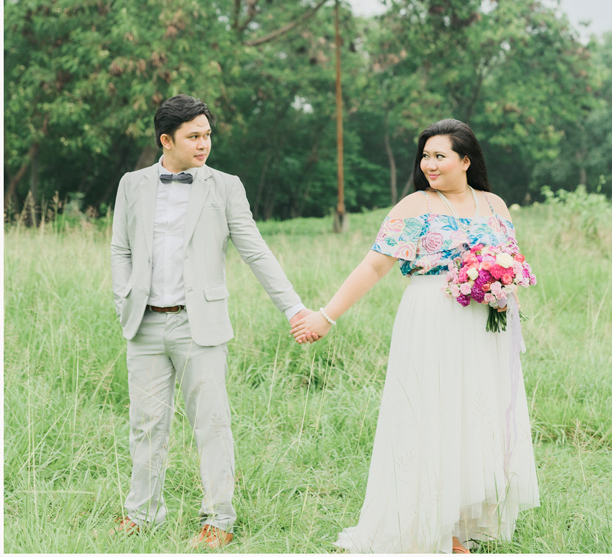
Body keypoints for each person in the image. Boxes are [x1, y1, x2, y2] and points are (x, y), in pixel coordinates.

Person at [290, 118, 540, 554]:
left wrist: (503, 287)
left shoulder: (496, 205)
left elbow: (512, 260)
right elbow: (373, 266)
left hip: (487, 325)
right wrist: (326, 316)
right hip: (432, 317)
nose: (429, 163)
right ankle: (435, 529)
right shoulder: (414, 207)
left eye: (439, 155)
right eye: (425, 155)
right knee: (433, 414)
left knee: (475, 416)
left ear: (466, 160)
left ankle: (460, 519)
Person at [110, 94, 317, 549]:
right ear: (167, 140)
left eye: (207, 135)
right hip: (143, 325)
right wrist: (123, 295)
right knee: (145, 425)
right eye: (193, 136)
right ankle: (141, 514)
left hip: (198, 325)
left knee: (212, 422)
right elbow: (121, 248)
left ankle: (218, 519)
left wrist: (294, 307)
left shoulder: (225, 186)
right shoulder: (132, 184)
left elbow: (254, 249)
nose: (204, 144)